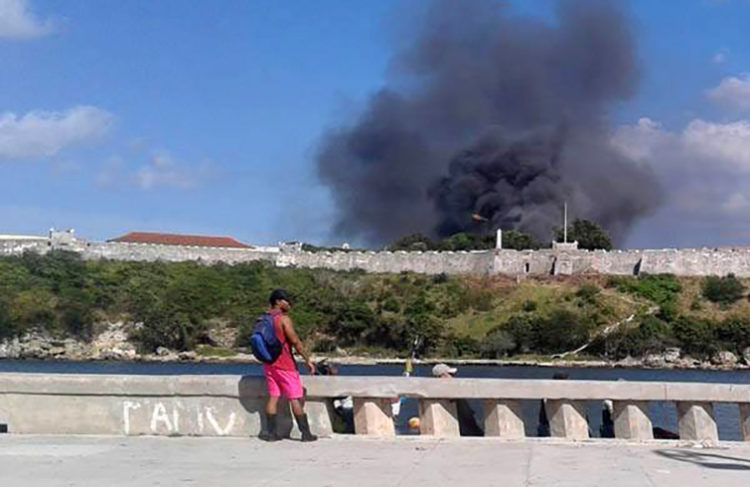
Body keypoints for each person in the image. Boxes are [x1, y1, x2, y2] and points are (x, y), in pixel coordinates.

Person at [258, 289, 318, 442]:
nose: (289, 304)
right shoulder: (283, 319)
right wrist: (308, 360)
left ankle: (271, 434)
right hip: (285, 365)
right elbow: (296, 342)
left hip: (269, 364)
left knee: (274, 397)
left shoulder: (263, 318)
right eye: (287, 300)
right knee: (294, 398)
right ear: (278, 301)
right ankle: (306, 434)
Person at [432, 363, 483, 436]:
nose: (453, 377)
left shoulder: (434, 390)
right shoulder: (451, 391)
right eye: (450, 374)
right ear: (442, 376)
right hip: (465, 430)